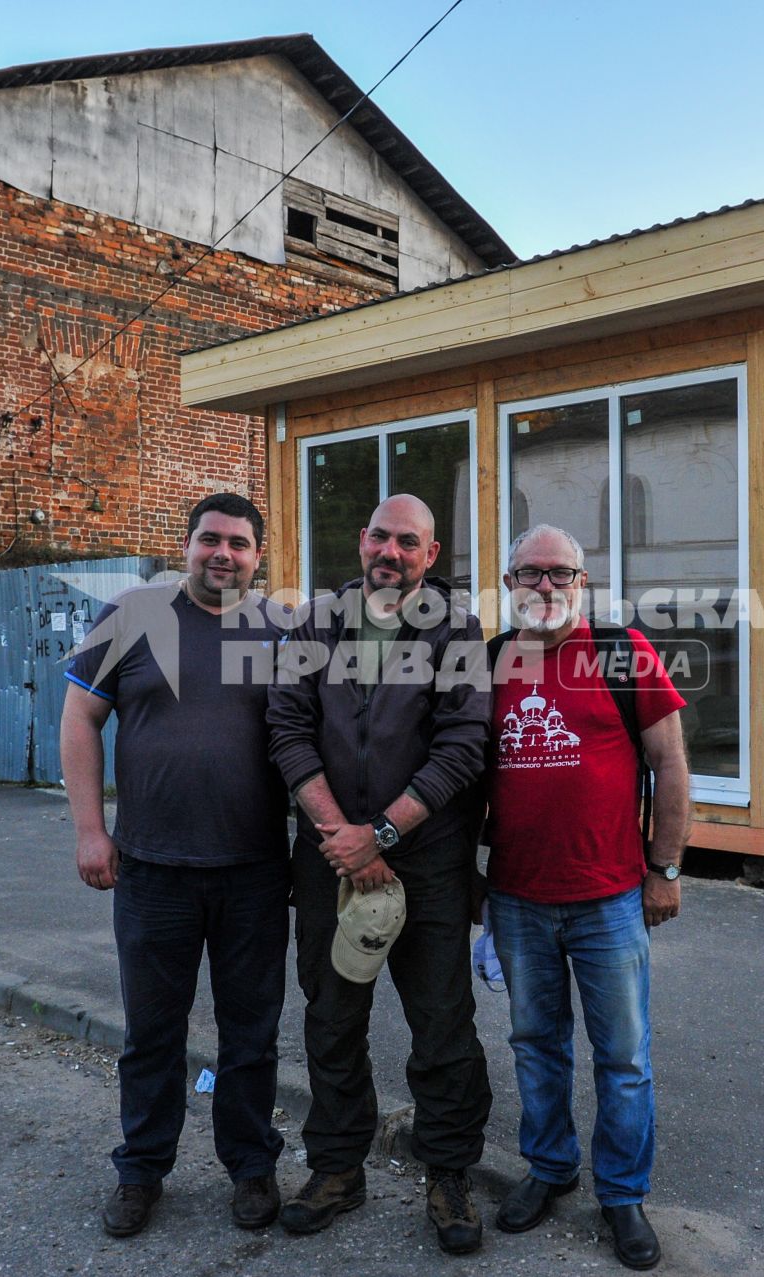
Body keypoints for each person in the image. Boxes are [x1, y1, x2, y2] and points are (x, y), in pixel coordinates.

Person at [60, 493, 293, 1239]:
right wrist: (91, 830)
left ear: (260, 556)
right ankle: (141, 1170)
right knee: (152, 1033)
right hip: (152, 868)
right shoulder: (132, 614)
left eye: (239, 544)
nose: (222, 554)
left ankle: (252, 1166)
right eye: (209, 540)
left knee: (250, 1033)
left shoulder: (282, 631)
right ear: (186, 544)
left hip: (255, 868)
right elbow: (79, 720)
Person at [267, 494, 492, 1255]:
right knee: (331, 1020)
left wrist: (384, 831)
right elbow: (287, 728)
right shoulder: (314, 624)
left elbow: (464, 743)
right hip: (330, 854)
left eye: (409, 542)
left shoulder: (455, 628)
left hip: (425, 860)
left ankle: (450, 1172)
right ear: (362, 542)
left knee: (443, 1026)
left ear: (431, 556)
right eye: (380, 537)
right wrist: (341, 835)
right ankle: (337, 1168)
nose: (390, 552)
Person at [482, 525, 690, 1272]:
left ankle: (623, 1193)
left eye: (559, 573)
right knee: (536, 1045)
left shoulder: (622, 650)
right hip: (516, 897)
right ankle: (549, 1167)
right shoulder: (489, 659)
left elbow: (669, 762)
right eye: (529, 573)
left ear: (583, 580)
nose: (544, 585)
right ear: (508, 582)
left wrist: (664, 866)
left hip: (609, 897)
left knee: (624, 1056)